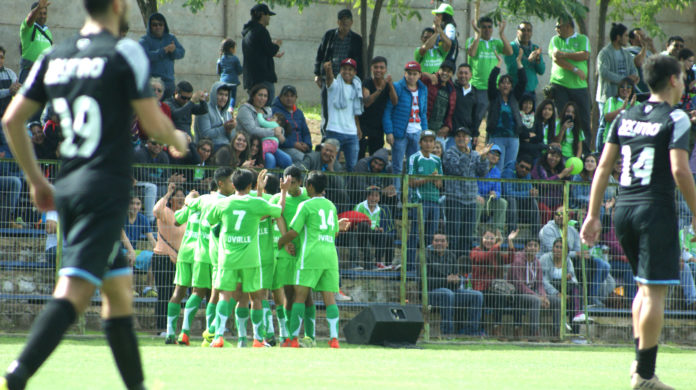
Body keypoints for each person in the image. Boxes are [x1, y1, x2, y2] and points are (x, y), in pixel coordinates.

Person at [0, 0, 189, 388]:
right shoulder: (124, 52)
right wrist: (176, 136)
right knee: (75, 290)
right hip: (106, 187)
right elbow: (152, 122)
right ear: (118, 6)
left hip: (69, 186)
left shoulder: (57, 54)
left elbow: (12, 118)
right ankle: (16, 376)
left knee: (118, 294)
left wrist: (36, 180)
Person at [581, 54, 696, 389]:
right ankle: (646, 376)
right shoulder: (676, 118)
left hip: (622, 210)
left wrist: (591, 214)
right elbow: (679, 170)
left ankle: (639, 368)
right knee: (655, 293)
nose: (686, 81)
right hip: (654, 211)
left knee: (643, 289)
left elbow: (603, 168)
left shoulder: (626, 116)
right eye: (684, 76)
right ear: (674, 80)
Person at [207, 169, 286, 348]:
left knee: (224, 296)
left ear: (233, 185)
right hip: (251, 259)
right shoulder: (255, 203)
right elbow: (279, 210)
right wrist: (283, 190)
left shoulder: (223, 204)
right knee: (256, 298)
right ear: (250, 186)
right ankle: (258, 339)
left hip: (227, 258)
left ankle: (218, 336)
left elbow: (211, 220)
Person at [278, 171, 351, 348]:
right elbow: (334, 232)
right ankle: (334, 339)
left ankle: (293, 339)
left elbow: (294, 231)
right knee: (329, 299)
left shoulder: (306, 205)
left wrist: (281, 242)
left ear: (309, 186)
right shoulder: (331, 206)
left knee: (300, 297)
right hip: (330, 255)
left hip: (311, 254)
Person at [191, 167, 236, 347]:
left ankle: (210, 333)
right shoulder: (228, 202)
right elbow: (216, 227)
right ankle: (213, 332)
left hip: (207, 252)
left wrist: (189, 198)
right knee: (230, 293)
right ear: (221, 183)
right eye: (231, 181)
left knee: (213, 293)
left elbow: (189, 204)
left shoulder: (205, 199)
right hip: (223, 253)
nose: (233, 184)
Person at [442, 127, 491, 259]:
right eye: (458, 136)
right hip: (454, 199)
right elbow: (457, 169)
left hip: (470, 200)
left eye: (464, 136)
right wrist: (468, 154)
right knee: (454, 235)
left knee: (467, 235)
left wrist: (483, 158)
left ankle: (464, 266)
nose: (461, 138)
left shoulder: (475, 154)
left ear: (469, 139)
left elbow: (482, 172)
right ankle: (452, 264)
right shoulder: (449, 153)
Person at [315, 9, 364, 135]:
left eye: (347, 23)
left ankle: (345, 133)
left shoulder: (357, 39)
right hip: (329, 78)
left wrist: (360, 81)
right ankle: (325, 135)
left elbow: (360, 61)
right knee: (326, 107)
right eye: (342, 23)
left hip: (347, 79)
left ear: (352, 23)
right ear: (338, 22)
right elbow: (320, 54)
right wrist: (317, 74)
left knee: (347, 108)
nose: (344, 26)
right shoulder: (329, 35)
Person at [426, 233, 483, 336]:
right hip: (430, 293)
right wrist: (445, 280)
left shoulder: (451, 256)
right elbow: (424, 282)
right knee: (447, 294)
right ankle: (447, 333)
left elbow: (456, 281)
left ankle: (472, 333)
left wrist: (457, 280)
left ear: (447, 243)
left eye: (442, 241)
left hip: (451, 291)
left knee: (477, 295)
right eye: (437, 240)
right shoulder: (425, 256)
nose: (439, 243)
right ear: (432, 242)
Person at [547, 16, 592, 146]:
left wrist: (565, 54)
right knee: (563, 118)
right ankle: (563, 147)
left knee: (584, 119)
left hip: (579, 87)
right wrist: (575, 69)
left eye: (558, 26)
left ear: (568, 26)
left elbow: (584, 55)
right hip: (559, 84)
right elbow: (556, 58)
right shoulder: (555, 39)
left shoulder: (582, 39)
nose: (556, 29)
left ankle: (585, 151)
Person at [383, 61, 428, 185]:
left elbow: (423, 113)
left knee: (413, 168)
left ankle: (411, 198)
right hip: (400, 133)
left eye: (415, 74)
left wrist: (425, 133)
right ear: (405, 74)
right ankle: (397, 198)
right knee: (397, 167)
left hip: (417, 132)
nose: (412, 77)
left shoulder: (423, 89)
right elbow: (388, 111)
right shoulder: (397, 87)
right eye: (409, 73)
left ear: (419, 75)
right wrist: (389, 131)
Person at [508, 238, 560, 339]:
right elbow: (519, 285)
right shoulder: (518, 260)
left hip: (532, 293)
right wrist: (537, 296)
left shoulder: (537, 262)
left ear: (538, 248)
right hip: (518, 294)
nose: (532, 248)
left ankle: (556, 332)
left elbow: (539, 284)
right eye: (530, 245)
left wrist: (544, 296)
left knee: (557, 301)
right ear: (525, 247)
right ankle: (534, 333)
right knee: (535, 300)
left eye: (535, 245)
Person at [470, 227, 517, 338]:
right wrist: (498, 244)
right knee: (480, 297)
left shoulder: (496, 252)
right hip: (479, 289)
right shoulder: (475, 251)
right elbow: (486, 257)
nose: (489, 241)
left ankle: (497, 328)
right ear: (481, 238)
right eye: (486, 238)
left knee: (500, 297)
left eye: (492, 238)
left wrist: (509, 241)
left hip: (493, 289)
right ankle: (478, 330)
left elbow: (510, 259)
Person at [405, 130, 443, 271]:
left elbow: (440, 185)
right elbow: (410, 182)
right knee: (415, 234)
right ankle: (410, 266)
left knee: (430, 236)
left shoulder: (437, 160)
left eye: (431, 141)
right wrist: (428, 178)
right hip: (420, 201)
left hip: (435, 200)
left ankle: (426, 267)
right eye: (425, 141)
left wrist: (436, 179)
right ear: (420, 143)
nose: (428, 143)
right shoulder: (414, 158)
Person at [465, 17, 512, 128]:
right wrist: (478, 35)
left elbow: (509, 51)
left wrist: (501, 34)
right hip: (478, 87)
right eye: (484, 27)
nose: (487, 30)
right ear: (479, 28)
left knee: (494, 118)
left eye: (489, 27)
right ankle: (472, 140)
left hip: (495, 87)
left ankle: (490, 142)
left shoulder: (496, 42)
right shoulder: (472, 40)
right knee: (477, 117)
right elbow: (472, 53)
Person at [596, 23, 639, 134]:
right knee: (603, 125)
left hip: (623, 96)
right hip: (608, 95)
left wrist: (635, 77)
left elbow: (633, 70)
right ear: (618, 37)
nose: (627, 38)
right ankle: (599, 150)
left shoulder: (626, 53)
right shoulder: (604, 53)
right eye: (625, 35)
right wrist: (624, 79)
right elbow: (604, 72)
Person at [487, 50, 526, 170]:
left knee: (509, 167)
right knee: (497, 167)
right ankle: (496, 189)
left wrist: (519, 62)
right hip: (496, 136)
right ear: (499, 86)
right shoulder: (494, 96)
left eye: (508, 83)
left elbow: (523, 81)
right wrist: (499, 63)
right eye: (503, 83)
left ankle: (507, 189)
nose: (505, 85)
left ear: (511, 86)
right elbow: (491, 81)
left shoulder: (514, 97)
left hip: (513, 137)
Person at [236, 84, 292, 168]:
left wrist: (280, 132)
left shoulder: (267, 110)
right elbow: (252, 130)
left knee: (287, 160)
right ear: (253, 96)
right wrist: (274, 132)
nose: (262, 98)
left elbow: (274, 125)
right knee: (270, 158)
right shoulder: (245, 109)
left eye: (265, 96)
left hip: (267, 143)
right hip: (251, 145)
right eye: (260, 95)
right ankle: (267, 180)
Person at [323, 57, 364, 172]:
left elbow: (355, 111)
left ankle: (348, 189)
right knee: (331, 164)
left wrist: (358, 127)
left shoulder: (356, 88)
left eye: (350, 69)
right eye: (345, 69)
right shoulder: (335, 85)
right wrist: (328, 70)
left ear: (355, 72)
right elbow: (329, 79)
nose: (347, 72)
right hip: (334, 130)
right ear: (340, 70)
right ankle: (331, 189)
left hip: (351, 133)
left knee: (352, 166)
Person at [138, 12, 185, 100]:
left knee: (168, 110)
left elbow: (181, 53)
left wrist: (173, 50)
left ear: (164, 26)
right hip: (152, 82)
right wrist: (163, 50)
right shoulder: (144, 40)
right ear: (150, 26)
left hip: (169, 82)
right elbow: (145, 56)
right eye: (154, 25)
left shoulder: (171, 38)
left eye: (160, 24)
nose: (158, 27)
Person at [242, 3, 283, 102]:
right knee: (266, 109)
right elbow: (270, 50)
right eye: (268, 15)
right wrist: (277, 45)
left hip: (251, 78)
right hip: (262, 78)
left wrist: (273, 53)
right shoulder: (261, 31)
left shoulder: (248, 32)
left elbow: (258, 51)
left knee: (254, 108)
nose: (269, 18)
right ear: (262, 15)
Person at [539, 238, 584, 326]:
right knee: (569, 298)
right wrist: (557, 293)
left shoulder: (567, 260)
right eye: (557, 247)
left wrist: (569, 277)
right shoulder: (545, 259)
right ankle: (562, 326)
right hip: (549, 288)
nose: (559, 250)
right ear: (553, 248)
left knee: (576, 291)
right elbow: (544, 281)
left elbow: (574, 279)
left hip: (563, 286)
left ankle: (576, 321)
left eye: (561, 248)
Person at [360, 56, 397, 158]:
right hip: (364, 126)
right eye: (376, 67)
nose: (378, 70)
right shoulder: (367, 82)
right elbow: (366, 102)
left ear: (385, 69)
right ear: (372, 68)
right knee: (360, 154)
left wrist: (391, 85)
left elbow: (394, 102)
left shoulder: (387, 84)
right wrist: (379, 90)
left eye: (381, 67)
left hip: (378, 128)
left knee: (376, 156)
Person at [351, 185, 395, 270]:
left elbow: (376, 224)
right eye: (371, 195)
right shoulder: (360, 206)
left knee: (387, 236)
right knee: (364, 225)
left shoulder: (378, 209)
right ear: (367, 197)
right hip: (359, 234)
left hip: (371, 233)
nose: (373, 198)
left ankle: (385, 263)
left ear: (379, 198)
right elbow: (353, 222)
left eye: (376, 196)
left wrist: (378, 228)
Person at [531, 145, 573, 222]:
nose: (554, 159)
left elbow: (568, 189)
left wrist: (567, 177)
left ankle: (562, 233)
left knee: (569, 212)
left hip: (556, 203)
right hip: (540, 201)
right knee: (546, 212)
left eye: (557, 157)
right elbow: (544, 183)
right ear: (547, 155)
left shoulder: (560, 169)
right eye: (552, 155)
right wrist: (561, 175)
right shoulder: (540, 167)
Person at [271, 85, 313, 163]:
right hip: (285, 147)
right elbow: (278, 136)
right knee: (303, 159)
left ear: (296, 98)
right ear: (280, 97)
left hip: (301, 147)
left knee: (316, 158)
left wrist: (307, 145)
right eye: (286, 96)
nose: (289, 98)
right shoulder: (275, 112)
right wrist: (293, 144)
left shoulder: (299, 113)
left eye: (292, 96)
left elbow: (306, 132)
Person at [502, 154, 541, 237]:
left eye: (527, 169)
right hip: (507, 204)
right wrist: (527, 193)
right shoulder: (508, 172)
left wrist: (533, 193)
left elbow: (529, 191)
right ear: (517, 164)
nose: (524, 170)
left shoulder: (527, 175)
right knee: (511, 200)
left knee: (533, 201)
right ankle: (512, 232)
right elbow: (507, 192)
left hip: (520, 204)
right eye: (522, 166)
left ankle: (536, 234)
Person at [421, 60, 457, 149]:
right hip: (424, 127)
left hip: (439, 132)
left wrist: (448, 126)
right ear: (439, 70)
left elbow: (450, 113)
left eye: (448, 71)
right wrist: (428, 75)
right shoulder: (430, 81)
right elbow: (415, 75)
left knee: (438, 158)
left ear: (452, 74)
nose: (445, 73)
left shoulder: (452, 90)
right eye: (443, 70)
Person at [505, 21, 545, 99]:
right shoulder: (511, 47)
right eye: (523, 30)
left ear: (532, 33)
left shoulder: (535, 48)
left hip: (531, 90)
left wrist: (537, 59)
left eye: (529, 30)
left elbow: (541, 71)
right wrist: (528, 60)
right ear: (517, 32)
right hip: (516, 90)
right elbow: (512, 69)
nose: (526, 33)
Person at [597, 78, 636, 152]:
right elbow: (607, 118)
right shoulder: (612, 100)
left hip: (628, 142)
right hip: (611, 141)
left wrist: (632, 108)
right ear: (618, 89)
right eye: (622, 87)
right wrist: (622, 109)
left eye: (628, 87)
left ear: (632, 89)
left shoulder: (637, 104)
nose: (625, 89)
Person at [476, 145, 508, 234]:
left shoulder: (497, 171)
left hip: (488, 201)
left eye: (497, 155)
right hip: (475, 199)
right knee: (477, 202)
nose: (494, 156)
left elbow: (498, 190)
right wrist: (477, 195)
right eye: (492, 153)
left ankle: (498, 232)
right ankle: (473, 232)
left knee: (502, 202)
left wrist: (495, 194)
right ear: (486, 154)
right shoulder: (478, 166)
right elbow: (471, 183)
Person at [18, 0, 53, 83]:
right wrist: (38, 8)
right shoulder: (27, 28)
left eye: (44, 13)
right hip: (29, 73)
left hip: (44, 74)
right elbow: (29, 19)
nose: (42, 16)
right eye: (39, 13)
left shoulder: (48, 32)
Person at [194, 81, 236, 149]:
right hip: (210, 149)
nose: (223, 98)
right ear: (214, 95)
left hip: (226, 148)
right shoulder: (204, 110)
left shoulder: (227, 114)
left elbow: (232, 138)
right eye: (220, 94)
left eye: (226, 95)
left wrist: (229, 131)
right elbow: (205, 135)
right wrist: (224, 128)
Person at [452, 63, 480, 149]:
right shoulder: (452, 88)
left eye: (466, 73)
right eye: (461, 73)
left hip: (467, 134)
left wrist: (475, 134)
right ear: (457, 74)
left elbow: (475, 115)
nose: (463, 76)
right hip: (451, 134)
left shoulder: (475, 92)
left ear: (471, 75)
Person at [627, 28, 656, 94]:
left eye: (644, 35)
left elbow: (660, 62)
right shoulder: (629, 51)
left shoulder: (648, 52)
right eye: (639, 35)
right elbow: (638, 62)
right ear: (631, 40)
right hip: (638, 89)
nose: (643, 38)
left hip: (650, 88)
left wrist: (652, 46)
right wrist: (644, 47)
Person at [217, 38, 243, 105]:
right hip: (233, 82)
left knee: (224, 96)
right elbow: (239, 71)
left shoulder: (220, 59)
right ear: (231, 49)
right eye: (235, 48)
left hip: (223, 81)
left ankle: (222, 108)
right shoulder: (235, 59)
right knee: (232, 97)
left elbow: (218, 72)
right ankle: (230, 109)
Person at [0, 46, 20, 119]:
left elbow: (16, 89)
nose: (0, 60)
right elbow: (10, 90)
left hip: (8, 116)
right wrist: (9, 91)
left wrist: (17, 90)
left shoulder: (10, 73)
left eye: (1, 57)